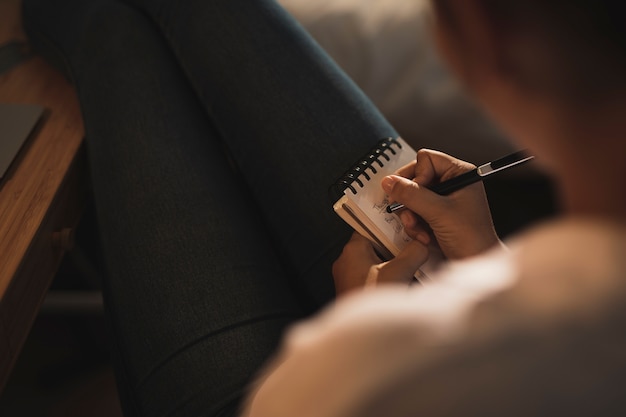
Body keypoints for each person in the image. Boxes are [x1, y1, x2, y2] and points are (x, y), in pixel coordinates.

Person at [22, 0, 626, 416]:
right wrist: (483, 257)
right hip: (388, 334)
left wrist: (361, 330)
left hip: (291, 396)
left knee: (114, 33)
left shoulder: (410, 365)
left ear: (488, 38)